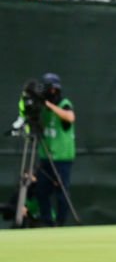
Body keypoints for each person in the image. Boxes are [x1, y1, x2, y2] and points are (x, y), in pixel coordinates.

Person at [31, 73, 76, 227]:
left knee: (61, 191)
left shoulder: (64, 103)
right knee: (41, 191)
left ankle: (60, 222)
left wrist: (50, 106)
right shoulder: (42, 108)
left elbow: (70, 117)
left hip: (62, 157)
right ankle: (47, 221)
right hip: (46, 157)